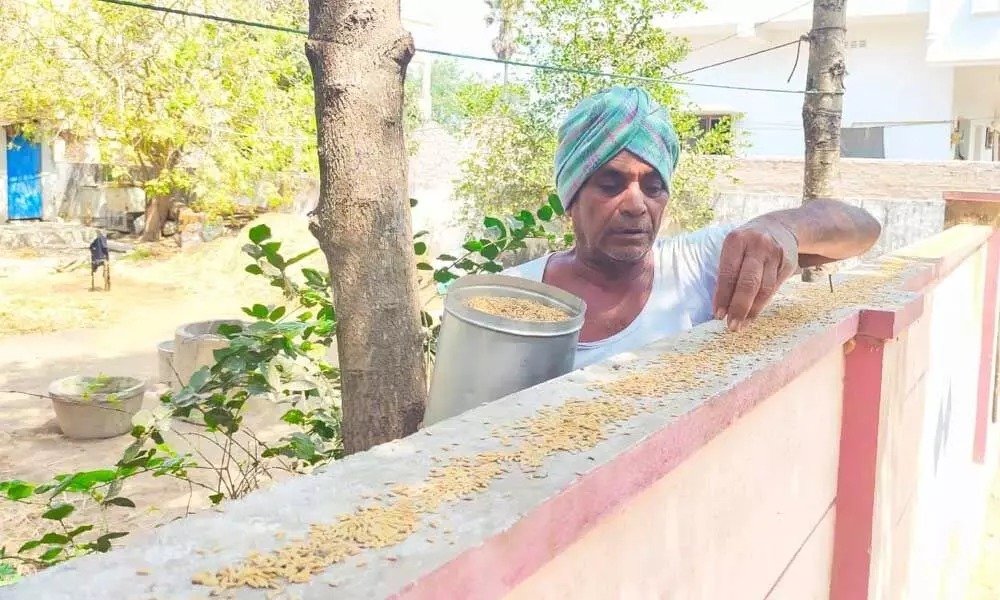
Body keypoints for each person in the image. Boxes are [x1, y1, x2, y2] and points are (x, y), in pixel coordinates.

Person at [508, 86, 882, 369]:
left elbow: (864, 230)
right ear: (570, 197)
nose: (637, 205)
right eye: (611, 185)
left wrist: (784, 226)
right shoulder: (510, 300)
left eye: (654, 187)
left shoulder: (699, 264)